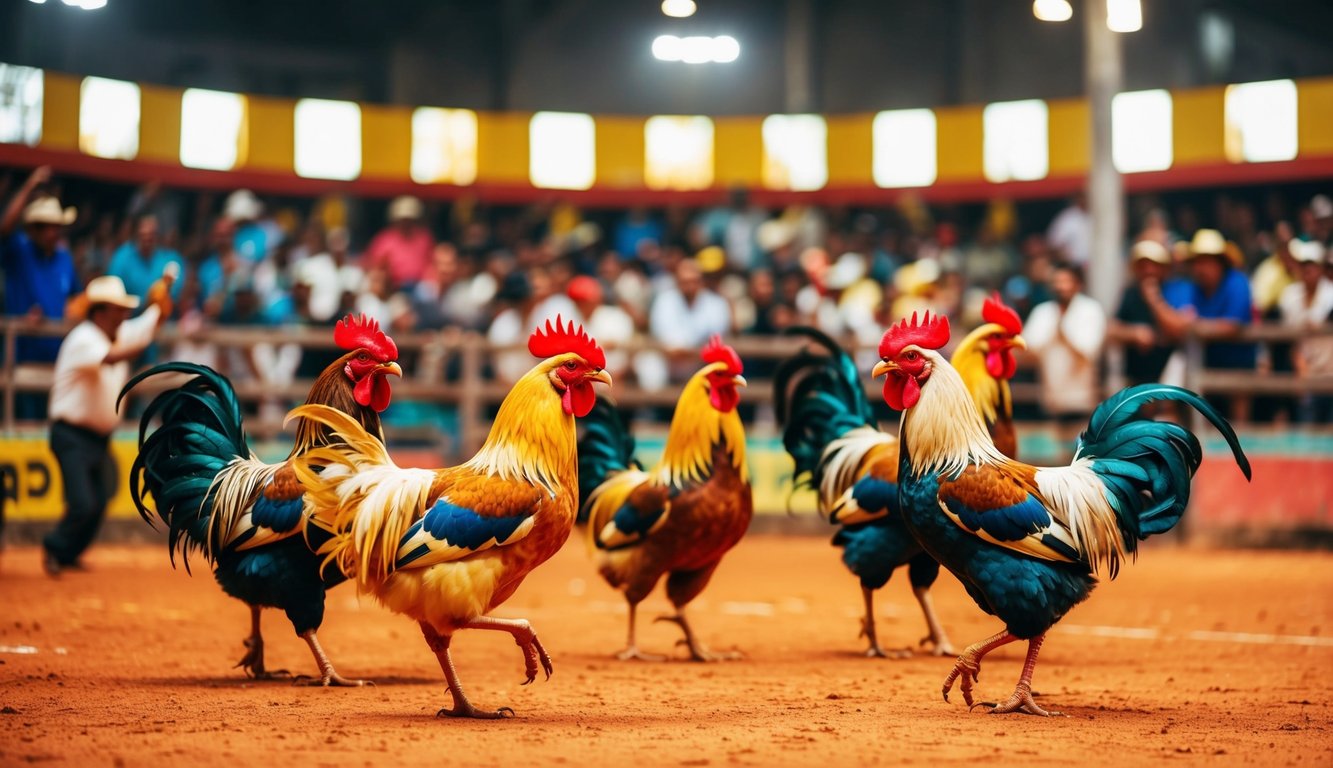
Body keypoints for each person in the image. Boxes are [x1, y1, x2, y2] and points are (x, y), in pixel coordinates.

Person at [43, 273, 172, 576]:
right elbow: (115, 356)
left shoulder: (115, 332)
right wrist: (154, 318)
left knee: (99, 501)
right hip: (71, 434)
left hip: (96, 437)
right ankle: (53, 546)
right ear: (100, 312)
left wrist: (161, 302)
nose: (125, 314)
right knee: (83, 503)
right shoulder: (84, 338)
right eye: (118, 309)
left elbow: (143, 329)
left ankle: (68, 554)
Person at [1143, 228, 1256, 419]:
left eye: (1207, 260)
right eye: (1197, 261)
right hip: (1201, 365)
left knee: (1238, 411)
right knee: (1179, 369)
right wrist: (1155, 300)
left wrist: (1194, 326)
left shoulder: (1237, 282)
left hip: (1238, 365)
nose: (1201, 267)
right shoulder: (1191, 288)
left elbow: (1232, 327)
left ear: (1221, 262)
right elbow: (1173, 326)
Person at [1, 167, 82, 419]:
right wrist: (28, 187)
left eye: (57, 226)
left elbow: (75, 298)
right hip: (21, 360)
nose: (54, 232)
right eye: (48, 226)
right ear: (33, 229)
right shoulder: (19, 250)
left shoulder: (64, 259)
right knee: (23, 422)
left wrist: (73, 314)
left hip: (58, 365)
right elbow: (3, 229)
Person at [1023, 264, 1106, 430]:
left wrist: (1062, 332)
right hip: (1049, 402)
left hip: (1081, 403)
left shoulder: (1091, 311)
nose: (1061, 286)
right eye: (1057, 281)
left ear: (1079, 284)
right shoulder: (1042, 312)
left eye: (1066, 281)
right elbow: (1026, 352)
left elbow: (1088, 353)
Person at [1108, 240, 1185, 386]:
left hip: (1170, 375)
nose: (1148, 270)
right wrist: (1134, 333)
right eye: (1143, 266)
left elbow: (1178, 331)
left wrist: (1154, 301)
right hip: (1136, 376)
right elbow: (1111, 330)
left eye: (1154, 265)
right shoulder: (1131, 293)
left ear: (1164, 268)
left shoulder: (1175, 290)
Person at [1278, 241, 1333, 423]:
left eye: (1312, 265)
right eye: (1303, 265)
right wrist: (1300, 368)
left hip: (1328, 368)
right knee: (1306, 427)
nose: (1307, 269)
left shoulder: (1330, 294)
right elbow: (1291, 339)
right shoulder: (1289, 296)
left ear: (1320, 268)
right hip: (1301, 367)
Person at [106, 213, 185, 309]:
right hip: (128, 317)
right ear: (135, 233)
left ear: (158, 235)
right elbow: (111, 292)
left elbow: (176, 295)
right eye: (143, 234)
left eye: (151, 234)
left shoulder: (170, 259)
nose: (147, 238)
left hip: (162, 317)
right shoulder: (123, 257)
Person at [364, 195, 434, 291]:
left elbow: (431, 265)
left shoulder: (424, 238)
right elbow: (375, 269)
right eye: (403, 219)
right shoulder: (385, 240)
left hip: (420, 287)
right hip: (393, 288)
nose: (406, 223)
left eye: (410, 219)